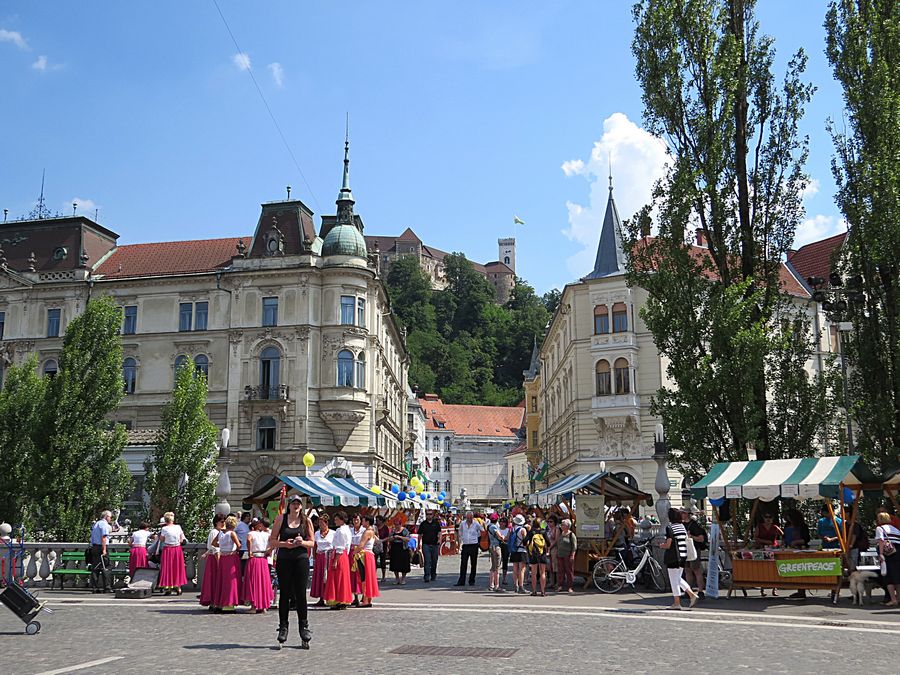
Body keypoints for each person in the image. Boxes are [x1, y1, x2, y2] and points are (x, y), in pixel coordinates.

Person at [270, 495, 314, 647]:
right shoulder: (281, 519)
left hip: (301, 558)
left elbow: (312, 543)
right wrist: (284, 544)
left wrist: (303, 542)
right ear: (289, 505)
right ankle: (283, 627)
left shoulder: (306, 520)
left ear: (301, 506)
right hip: (284, 559)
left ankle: (304, 627)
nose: (296, 506)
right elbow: (272, 540)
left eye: (298, 504)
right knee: (285, 594)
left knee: (301, 594)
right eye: (293, 503)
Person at [660, 507, 699, 609]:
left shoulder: (670, 528)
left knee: (674, 580)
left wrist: (661, 545)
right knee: (677, 578)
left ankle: (678, 602)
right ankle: (691, 595)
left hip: (673, 556)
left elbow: (668, 545)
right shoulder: (682, 527)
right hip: (683, 556)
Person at [244, 518, 274, 612]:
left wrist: (249, 552)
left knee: (253, 581)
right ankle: (263, 606)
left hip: (254, 558)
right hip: (263, 558)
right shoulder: (266, 534)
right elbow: (274, 542)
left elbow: (249, 540)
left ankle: (254, 606)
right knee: (263, 582)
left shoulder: (251, 533)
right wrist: (269, 550)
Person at [325, 511, 353, 611]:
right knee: (342, 578)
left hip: (339, 555)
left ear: (341, 520)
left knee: (337, 578)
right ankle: (341, 599)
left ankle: (339, 599)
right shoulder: (346, 529)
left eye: (337, 519)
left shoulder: (341, 531)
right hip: (343, 555)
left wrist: (335, 560)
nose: (335, 521)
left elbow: (340, 547)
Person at [215, 515, 242, 611]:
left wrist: (222, 545)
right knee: (231, 581)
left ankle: (219, 603)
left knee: (222, 580)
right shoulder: (232, 533)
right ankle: (229, 603)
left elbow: (214, 544)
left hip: (223, 557)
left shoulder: (220, 534)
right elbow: (239, 546)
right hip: (231, 557)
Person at [753, 511, 783, 597]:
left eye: (770, 517)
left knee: (774, 568)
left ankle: (775, 588)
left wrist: (782, 544)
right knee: (763, 568)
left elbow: (783, 535)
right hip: (762, 548)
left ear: (772, 519)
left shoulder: (775, 527)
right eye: (766, 517)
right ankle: (762, 589)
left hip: (773, 548)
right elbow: (755, 537)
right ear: (763, 518)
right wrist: (766, 542)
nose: (768, 519)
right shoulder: (759, 527)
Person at [199, 514, 225, 609]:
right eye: (221, 522)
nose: (223, 524)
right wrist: (218, 561)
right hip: (215, 558)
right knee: (214, 580)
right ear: (216, 522)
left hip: (214, 556)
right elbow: (214, 549)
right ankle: (213, 600)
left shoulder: (218, 532)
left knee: (214, 580)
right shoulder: (215, 532)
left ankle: (214, 600)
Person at [158, 512, 187, 596]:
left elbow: (162, 539)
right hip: (177, 548)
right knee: (177, 567)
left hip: (168, 549)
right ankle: (178, 586)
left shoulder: (164, 529)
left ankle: (168, 588)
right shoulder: (178, 527)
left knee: (168, 568)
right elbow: (182, 539)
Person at [875, 512, 900, 607]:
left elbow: (881, 540)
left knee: (888, 577)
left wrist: (881, 554)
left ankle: (893, 599)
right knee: (897, 576)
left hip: (888, 554)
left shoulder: (880, 528)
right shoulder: (895, 529)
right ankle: (899, 598)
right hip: (898, 553)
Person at [455, 510, 483, 587]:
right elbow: (459, 532)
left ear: (473, 517)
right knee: (463, 563)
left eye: (471, 517)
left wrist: (478, 540)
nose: (469, 519)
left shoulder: (476, 524)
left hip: (474, 545)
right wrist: (460, 540)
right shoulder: (463, 523)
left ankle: (472, 580)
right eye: (468, 518)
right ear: (466, 517)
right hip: (466, 545)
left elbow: (482, 531)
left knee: (473, 564)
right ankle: (461, 581)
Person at [682, 510, 707, 596]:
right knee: (687, 570)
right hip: (685, 550)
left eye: (683, 513)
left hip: (694, 550)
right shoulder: (682, 524)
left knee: (696, 570)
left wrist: (691, 536)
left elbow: (701, 538)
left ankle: (700, 591)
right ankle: (689, 591)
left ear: (688, 515)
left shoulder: (694, 525)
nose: (681, 515)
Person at [357, 515, 380, 607]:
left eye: (363, 520)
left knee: (364, 577)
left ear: (367, 521)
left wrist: (355, 552)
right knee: (368, 577)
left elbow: (361, 545)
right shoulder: (372, 531)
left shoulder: (367, 532)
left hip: (365, 554)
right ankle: (368, 598)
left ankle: (365, 599)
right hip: (370, 554)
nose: (362, 522)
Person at [311, 513, 333, 606]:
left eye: (321, 523)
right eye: (319, 523)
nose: (320, 525)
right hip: (320, 557)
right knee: (320, 577)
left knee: (327, 577)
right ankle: (321, 597)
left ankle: (329, 597)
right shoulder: (316, 533)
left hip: (328, 556)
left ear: (326, 523)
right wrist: (314, 557)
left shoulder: (333, 533)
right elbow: (315, 546)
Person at [88, 510, 113, 593]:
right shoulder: (104, 524)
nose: (110, 519)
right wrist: (104, 549)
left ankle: (95, 587)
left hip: (94, 547)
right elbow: (103, 537)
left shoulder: (97, 524)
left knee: (95, 567)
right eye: (110, 517)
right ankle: (107, 587)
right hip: (101, 547)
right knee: (106, 567)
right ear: (106, 516)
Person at [526, 518, 549, 596]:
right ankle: (543, 591)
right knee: (543, 572)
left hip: (533, 553)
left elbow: (525, 541)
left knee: (533, 573)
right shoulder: (543, 532)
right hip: (542, 553)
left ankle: (534, 591)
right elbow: (548, 543)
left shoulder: (531, 532)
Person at [418, 510, 442, 583]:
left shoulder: (436, 523)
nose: (429, 515)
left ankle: (433, 574)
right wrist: (418, 544)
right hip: (426, 545)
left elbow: (440, 532)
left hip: (435, 545)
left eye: (430, 514)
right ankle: (426, 576)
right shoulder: (423, 524)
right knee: (427, 561)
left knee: (434, 561)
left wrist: (439, 540)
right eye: (427, 514)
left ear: (433, 515)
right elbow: (420, 535)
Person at [388, 517, 411, 585]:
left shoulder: (405, 530)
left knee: (403, 564)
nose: (396, 526)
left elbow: (408, 539)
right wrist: (391, 539)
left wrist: (399, 537)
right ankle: (397, 578)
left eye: (397, 524)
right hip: (395, 548)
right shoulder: (393, 530)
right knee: (395, 564)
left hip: (403, 549)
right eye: (395, 524)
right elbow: (389, 538)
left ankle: (403, 578)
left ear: (401, 524)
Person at [556, 518, 577, 593]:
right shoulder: (561, 533)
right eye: (561, 525)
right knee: (560, 571)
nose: (561, 526)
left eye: (563, 525)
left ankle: (570, 586)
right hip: (560, 555)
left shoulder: (571, 535)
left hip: (568, 555)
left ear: (568, 526)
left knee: (569, 571)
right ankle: (560, 585)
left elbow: (574, 547)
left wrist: (572, 555)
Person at [349, 513, 366, 607]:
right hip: (352, 553)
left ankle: (364, 595)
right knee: (353, 575)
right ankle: (355, 597)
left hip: (360, 553)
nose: (355, 521)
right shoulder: (350, 530)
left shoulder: (364, 530)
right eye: (354, 520)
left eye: (357, 520)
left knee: (361, 574)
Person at [509, 514, 528, 594]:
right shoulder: (523, 530)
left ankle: (515, 585)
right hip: (522, 550)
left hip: (514, 550)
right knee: (522, 569)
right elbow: (526, 541)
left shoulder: (512, 529)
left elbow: (508, 538)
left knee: (515, 569)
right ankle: (521, 586)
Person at [486, 513, 505, 592]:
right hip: (496, 547)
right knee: (497, 567)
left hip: (491, 546)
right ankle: (496, 585)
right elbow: (500, 536)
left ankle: (491, 584)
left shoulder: (488, 526)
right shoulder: (494, 527)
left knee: (493, 566)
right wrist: (503, 537)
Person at [544, 514, 560, 589]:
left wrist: (550, 546)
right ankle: (552, 582)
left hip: (554, 549)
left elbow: (556, 540)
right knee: (550, 567)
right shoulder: (548, 529)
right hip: (548, 548)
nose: (549, 523)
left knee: (555, 566)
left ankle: (557, 583)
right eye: (548, 522)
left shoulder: (557, 529)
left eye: (551, 522)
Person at [375, 516, 390, 581]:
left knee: (382, 561)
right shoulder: (375, 527)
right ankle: (374, 575)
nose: (377, 522)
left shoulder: (385, 528)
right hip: (375, 545)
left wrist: (382, 540)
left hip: (383, 545)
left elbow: (388, 537)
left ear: (381, 521)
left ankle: (383, 576)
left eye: (378, 520)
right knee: (374, 561)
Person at [497, 517, 511, 587]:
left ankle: (504, 578)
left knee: (505, 562)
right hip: (499, 546)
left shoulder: (508, 530)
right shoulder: (497, 529)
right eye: (500, 522)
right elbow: (498, 537)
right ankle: (497, 578)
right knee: (497, 562)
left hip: (505, 546)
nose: (501, 523)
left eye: (503, 522)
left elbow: (507, 538)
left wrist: (502, 538)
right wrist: (502, 538)